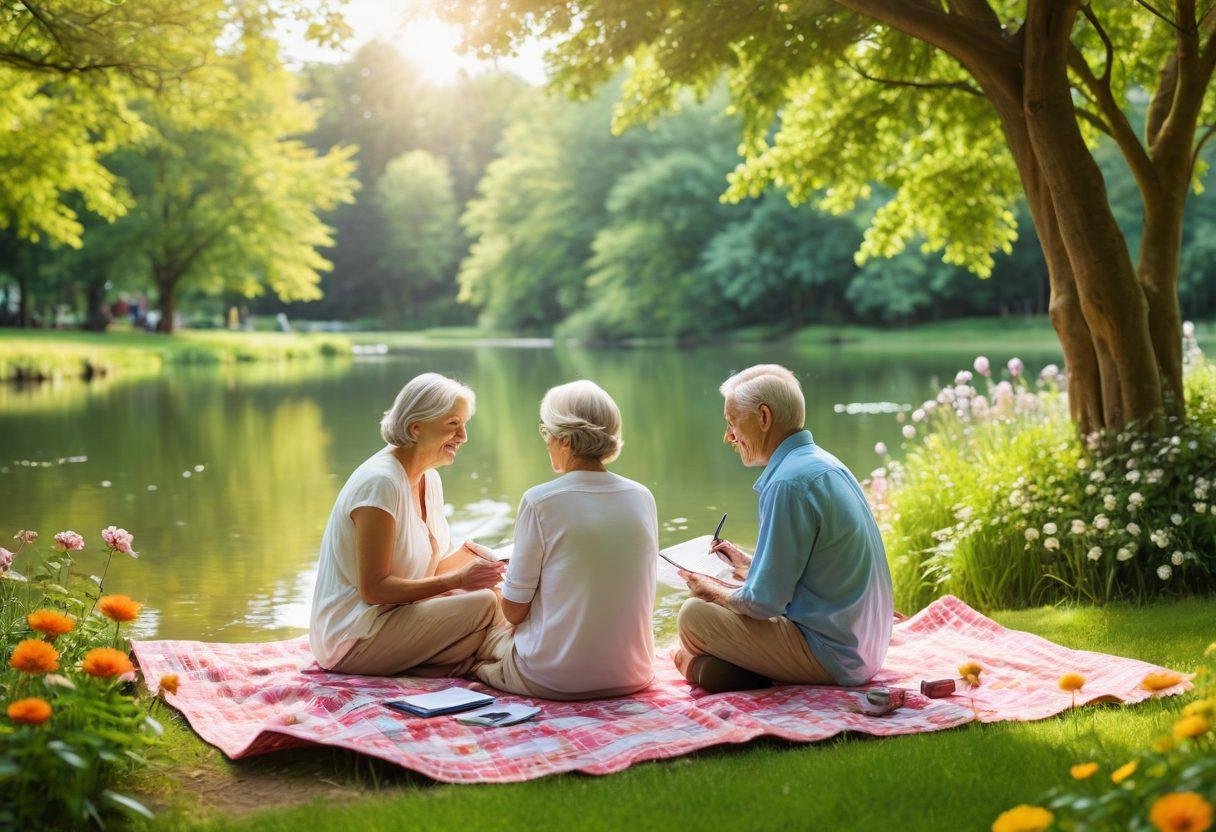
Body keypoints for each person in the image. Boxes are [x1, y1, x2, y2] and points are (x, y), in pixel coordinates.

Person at [674, 364, 893, 693]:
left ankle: (707, 667)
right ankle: (712, 667)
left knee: (693, 615)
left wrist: (709, 589)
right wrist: (748, 565)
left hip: (833, 656)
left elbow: (764, 604)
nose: (729, 436)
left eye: (732, 422)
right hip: (862, 649)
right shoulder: (823, 464)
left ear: (763, 417)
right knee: (706, 626)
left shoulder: (787, 484)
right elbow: (803, 577)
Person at [309, 373, 506, 676]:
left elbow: (422, 570)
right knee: (484, 606)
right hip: (353, 636)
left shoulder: (429, 476)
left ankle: (447, 664)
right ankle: (456, 664)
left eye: (464, 424)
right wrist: (459, 581)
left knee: (497, 596)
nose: (464, 436)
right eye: (454, 424)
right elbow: (374, 590)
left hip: (397, 617)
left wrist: (472, 561)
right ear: (416, 428)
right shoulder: (381, 483)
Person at [472, 380, 658, 700]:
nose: (546, 442)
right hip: (634, 673)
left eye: (547, 432)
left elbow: (514, 613)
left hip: (554, 680)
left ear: (565, 439)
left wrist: (499, 583)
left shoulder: (540, 501)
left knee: (479, 621)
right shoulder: (641, 497)